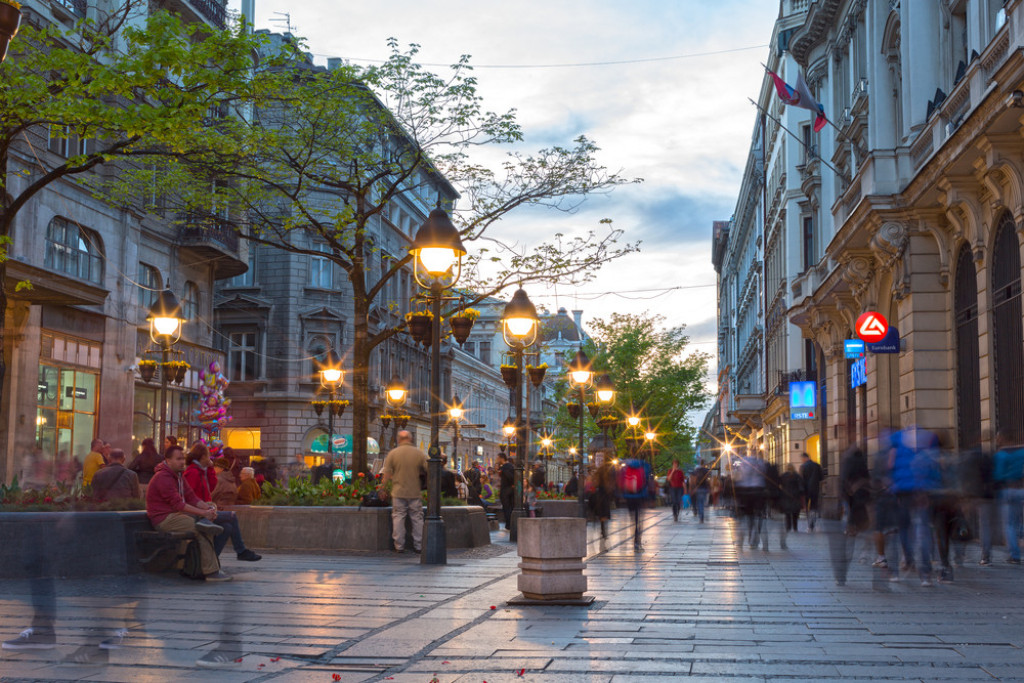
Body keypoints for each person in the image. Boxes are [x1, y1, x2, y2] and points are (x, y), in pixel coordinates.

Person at [145, 445, 230, 581]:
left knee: (209, 506)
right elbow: (178, 504)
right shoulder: (163, 477)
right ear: (168, 460)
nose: (182, 461)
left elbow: (191, 497)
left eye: (183, 458)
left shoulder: (178, 475)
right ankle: (211, 572)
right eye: (178, 459)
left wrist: (207, 509)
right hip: (164, 518)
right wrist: (203, 512)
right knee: (202, 529)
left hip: (177, 515)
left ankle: (205, 521)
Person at [891, 425, 941, 585]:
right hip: (924, 491)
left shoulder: (897, 439)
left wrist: (894, 487)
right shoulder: (930, 439)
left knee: (905, 528)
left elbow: (891, 465)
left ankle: (909, 559)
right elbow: (935, 465)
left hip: (903, 491)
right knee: (924, 529)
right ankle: (925, 572)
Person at [380, 430, 428, 553]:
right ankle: (419, 545)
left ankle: (399, 546)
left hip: (398, 491)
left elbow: (387, 473)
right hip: (414, 491)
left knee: (398, 517)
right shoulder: (419, 453)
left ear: (398, 439)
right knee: (417, 518)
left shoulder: (393, 453)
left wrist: (382, 488)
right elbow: (429, 468)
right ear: (410, 439)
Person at [993, 429, 1024, 565]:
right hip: (1020, 489)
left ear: (1002, 439)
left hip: (1007, 491)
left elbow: (997, 475)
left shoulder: (1000, 455)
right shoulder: (1022, 453)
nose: (996, 441)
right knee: (1017, 522)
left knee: (1009, 524)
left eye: (998, 438)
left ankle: (1014, 555)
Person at [618, 457, 653, 549]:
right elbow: (647, 481)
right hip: (641, 496)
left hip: (629, 497)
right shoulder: (645, 466)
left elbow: (620, 482)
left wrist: (623, 493)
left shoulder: (625, 467)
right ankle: (638, 540)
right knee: (639, 520)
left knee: (633, 519)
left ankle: (634, 538)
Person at [778, 464, 803, 543]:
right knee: (795, 513)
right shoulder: (797, 476)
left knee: (788, 513)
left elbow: (779, 484)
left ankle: (788, 527)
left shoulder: (783, 476)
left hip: (786, 496)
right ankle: (795, 527)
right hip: (795, 496)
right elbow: (801, 486)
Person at [799, 452, 822, 531]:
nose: (802, 460)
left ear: (805, 458)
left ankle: (809, 524)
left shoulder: (803, 467)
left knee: (807, 507)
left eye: (802, 459)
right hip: (815, 489)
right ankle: (812, 523)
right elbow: (821, 477)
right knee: (813, 506)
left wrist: (801, 490)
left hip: (806, 490)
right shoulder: (817, 465)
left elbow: (801, 480)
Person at [497, 452, 515, 531]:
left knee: (507, 508)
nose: (497, 460)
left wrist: (503, 471)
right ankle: (509, 524)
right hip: (510, 489)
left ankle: (508, 525)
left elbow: (510, 477)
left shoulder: (505, 467)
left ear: (501, 458)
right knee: (509, 507)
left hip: (506, 490)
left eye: (498, 458)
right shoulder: (510, 466)